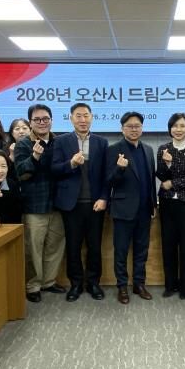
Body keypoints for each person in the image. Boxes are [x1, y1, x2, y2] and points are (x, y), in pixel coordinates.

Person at [52, 103, 109, 302]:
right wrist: (71, 164)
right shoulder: (61, 141)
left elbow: (106, 174)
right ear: (71, 118)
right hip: (71, 204)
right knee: (73, 246)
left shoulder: (101, 142)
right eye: (78, 116)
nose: (82, 120)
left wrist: (104, 197)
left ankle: (93, 283)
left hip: (95, 204)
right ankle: (75, 284)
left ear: (92, 117)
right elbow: (54, 169)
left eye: (86, 115)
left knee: (94, 246)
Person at [14, 104, 66, 303]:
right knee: (33, 248)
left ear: (51, 120)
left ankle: (49, 282)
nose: (42, 123)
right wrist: (34, 157)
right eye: (37, 120)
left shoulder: (59, 141)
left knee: (55, 245)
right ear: (30, 123)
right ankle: (33, 285)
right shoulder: (23, 144)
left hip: (58, 204)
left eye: (45, 119)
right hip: (34, 205)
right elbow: (20, 172)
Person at [106, 111, 157, 305]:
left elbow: (150, 180)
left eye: (137, 126)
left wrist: (153, 204)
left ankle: (139, 284)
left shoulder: (148, 150)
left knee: (141, 249)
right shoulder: (114, 149)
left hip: (144, 209)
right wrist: (119, 168)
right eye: (130, 126)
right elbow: (108, 181)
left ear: (142, 128)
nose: (134, 129)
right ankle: (122, 286)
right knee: (121, 250)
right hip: (123, 209)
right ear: (122, 129)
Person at [156, 113, 185, 299]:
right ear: (170, 128)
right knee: (168, 245)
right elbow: (160, 176)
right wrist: (167, 164)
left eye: (182, 126)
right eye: (175, 126)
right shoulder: (163, 148)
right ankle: (170, 285)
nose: (178, 129)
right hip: (167, 203)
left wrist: (173, 183)